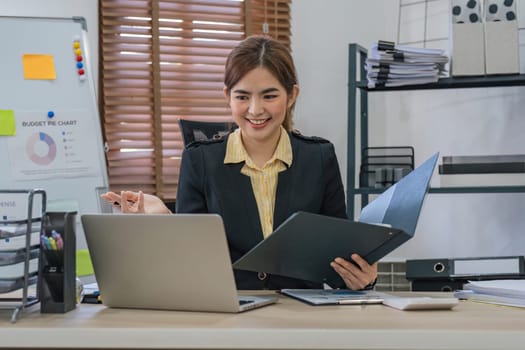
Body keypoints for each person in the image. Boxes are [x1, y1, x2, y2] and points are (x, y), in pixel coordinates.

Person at [102, 35, 377, 290]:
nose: (255, 110)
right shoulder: (200, 160)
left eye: (269, 96)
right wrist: (164, 220)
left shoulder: (319, 157)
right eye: (242, 97)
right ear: (227, 96)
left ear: (292, 95)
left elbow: (338, 260)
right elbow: (191, 262)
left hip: (301, 315)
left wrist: (362, 278)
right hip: (228, 312)